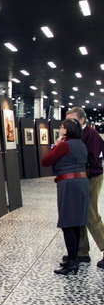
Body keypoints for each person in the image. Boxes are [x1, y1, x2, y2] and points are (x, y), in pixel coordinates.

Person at [41, 119, 89, 275]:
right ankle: (73, 259)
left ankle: (72, 263)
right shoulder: (81, 144)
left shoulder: (64, 145)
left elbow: (46, 161)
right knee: (75, 223)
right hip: (81, 183)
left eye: (62, 127)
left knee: (68, 223)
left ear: (66, 130)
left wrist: (55, 144)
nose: (61, 129)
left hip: (69, 184)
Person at [65, 107, 104, 268]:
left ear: (82, 120)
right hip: (79, 178)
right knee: (79, 214)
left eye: (72, 120)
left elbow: (93, 160)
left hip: (91, 178)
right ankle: (82, 252)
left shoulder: (91, 135)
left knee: (90, 214)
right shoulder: (76, 134)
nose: (69, 124)